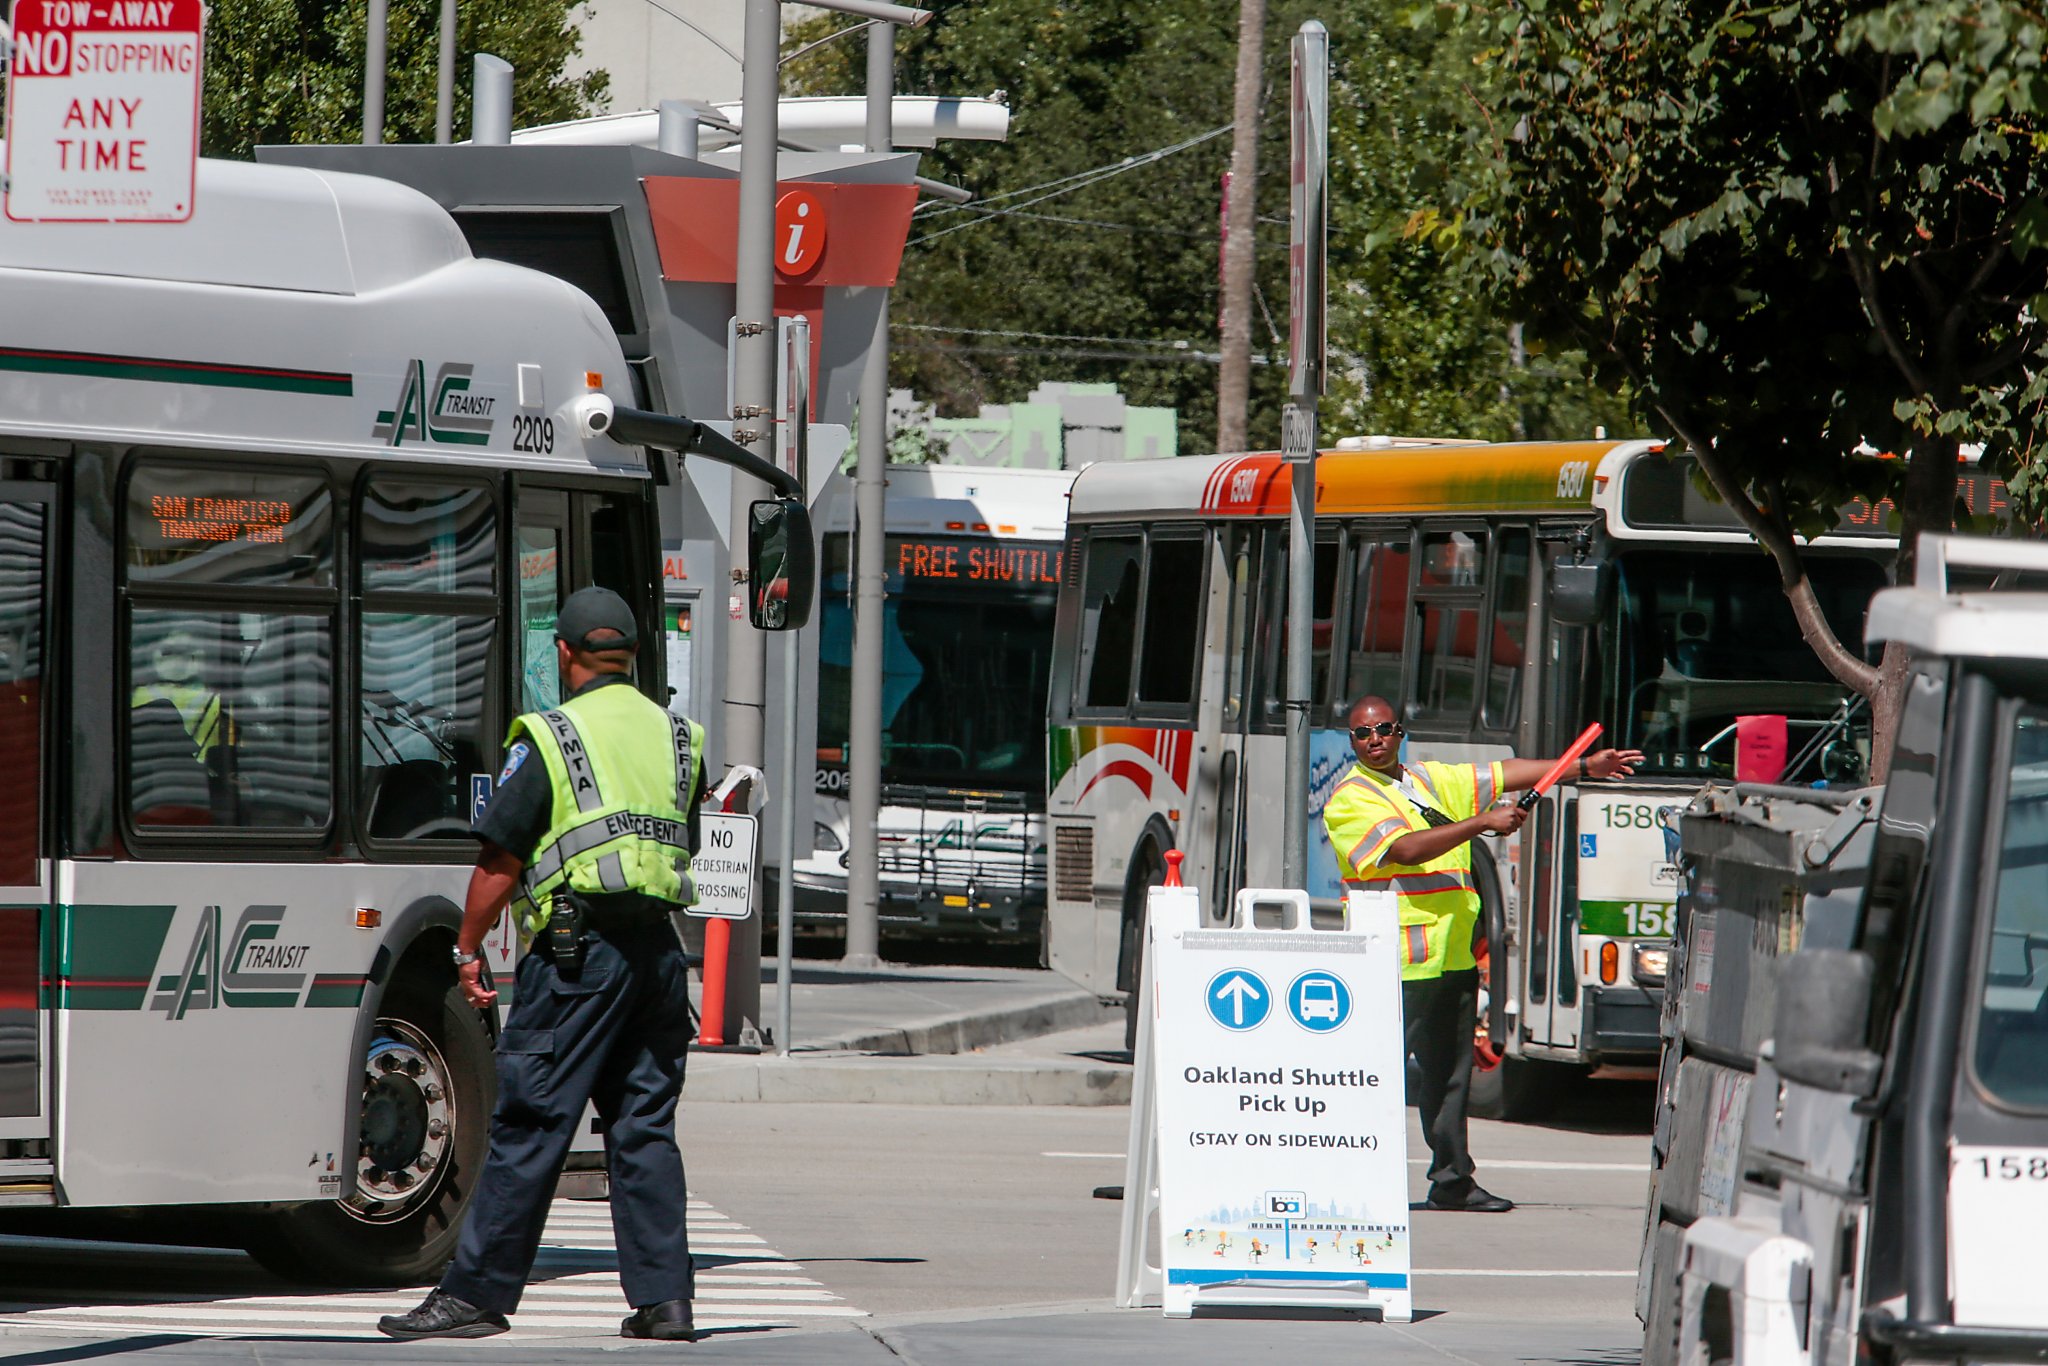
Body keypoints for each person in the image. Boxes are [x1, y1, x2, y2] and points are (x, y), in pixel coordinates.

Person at [378, 587, 707, 1343]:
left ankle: (475, 1296)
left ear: (564, 653)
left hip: (578, 957)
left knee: (531, 1122)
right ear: (631, 654)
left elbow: (501, 857)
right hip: (658, 955)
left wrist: (467, 945)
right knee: (645, 1126)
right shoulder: (679, 737)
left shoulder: (555, 736)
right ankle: (666, 1302)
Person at [1321, 695, 1641, 1214]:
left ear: (1400, 732)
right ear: (1352, 741)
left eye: (1383, 729)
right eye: (1362, 733)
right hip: (1392, 961)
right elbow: (1405, 849)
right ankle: (1339, 1183)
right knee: (1370, 1076)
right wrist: (1481, 824)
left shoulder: (1427, 780)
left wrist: (1582, 765)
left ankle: (1452, 1181)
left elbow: (1507, 771)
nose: (1374, 739)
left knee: (1450, 1078)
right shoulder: (1351, 798)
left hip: (1449, 958)